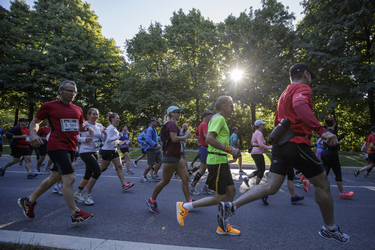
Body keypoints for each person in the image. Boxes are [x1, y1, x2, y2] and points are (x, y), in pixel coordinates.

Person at [216, 63, 349, 243]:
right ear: (305, 74)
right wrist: (321, 130)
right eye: (311, 76)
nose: (311, 80)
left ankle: (231, 206)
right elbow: (301, 107)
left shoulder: (285, 92)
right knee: (323, 183)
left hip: (280, 144)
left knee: (271, 186)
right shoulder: (303, 88)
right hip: (296, 143)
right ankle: (330, 228)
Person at [17, 80, 94, 224]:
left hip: (71, 147)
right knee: (69, 178)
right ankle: (75, 213)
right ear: (60, 91)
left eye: (74, 91)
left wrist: (86, 128)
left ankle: (29, 201)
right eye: (69, 90)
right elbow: (35, 122)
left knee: (53, 178)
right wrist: (33, 134)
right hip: (57, 145)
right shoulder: (49, 106)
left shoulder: (77, 109)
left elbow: (80, 125)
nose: (72, 94)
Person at [176, 96, 241, 236]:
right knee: (218, 197)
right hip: (217, 161)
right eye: (231, 106)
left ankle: (223, 225)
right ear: (224, 106)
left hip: (221, 160)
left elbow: (215, 139)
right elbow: (209, 139)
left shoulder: (217, 119)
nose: (233, 109)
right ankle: (185, 206)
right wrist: (230, 149)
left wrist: (230, 149)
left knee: (231, 192)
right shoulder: (219, 119)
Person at [146, 106, 192, 213]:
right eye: (177, 113)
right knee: (165, 181)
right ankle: (151, 200)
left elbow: (175, 139)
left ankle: (189, 202)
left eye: (179, 113)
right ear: (171, 113)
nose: (179, 115)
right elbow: (174, 138)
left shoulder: (173, 124)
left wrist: (184, 140)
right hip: (170, 156)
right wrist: (186, 137)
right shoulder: (171, 124)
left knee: (185, 178)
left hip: (177, 156)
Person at [74, 108, 107, 205]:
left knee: (88, 174)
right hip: (85, 152)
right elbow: (75, 137)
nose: (95, 116)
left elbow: (102, 139)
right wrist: (85, 139)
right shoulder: (84, 125)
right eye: (93, 114)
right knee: (97, 172)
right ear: (88, 115)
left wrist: (105, 134)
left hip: (94, 151)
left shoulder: (100, 125)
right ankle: (87, 194)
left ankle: (77, 193)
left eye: (97, 114)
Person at [100, 113, 134, 191]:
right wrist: (119, 136)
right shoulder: (110, 128)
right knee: (102, 168)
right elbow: (108, 140)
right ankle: (90, 178)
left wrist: (121, 142)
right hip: (107, 150)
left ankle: (124, 184)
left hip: (114, 150)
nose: (118, 119)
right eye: (117, 118)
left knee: (119, 166)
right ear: (112, 119)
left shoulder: (114, 128)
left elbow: (114, 140)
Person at [321, 117, 354, 199]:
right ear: (334, 123)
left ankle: (310, 183)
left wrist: (338, 140)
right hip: (331, 154)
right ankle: (342, 193)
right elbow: (332, 143)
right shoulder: (332, 132)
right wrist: (340, 138)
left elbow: (325, 142)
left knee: (324, 173)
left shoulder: (325, 132)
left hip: (324, 153)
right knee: (338, 173)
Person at [243, 120, 273, 204]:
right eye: (262, 124)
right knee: (262, 170)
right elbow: (261, 145)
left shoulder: (255, 132)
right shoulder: (259, 133)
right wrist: (271, 146)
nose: (263, 126)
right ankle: (256, 188)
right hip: (258, 153)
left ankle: (247, 178)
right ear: (259, 125)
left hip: (254, 152)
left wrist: (262, 142)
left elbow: (252, 142)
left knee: (260, 169)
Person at [189, 110, 214, 195]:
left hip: (204, 148)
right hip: (204, 149)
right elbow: (206, 135)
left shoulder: (201, 124)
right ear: (206, 116)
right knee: (202, 169)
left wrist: (200, 141)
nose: (212, 118)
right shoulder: (205, 124)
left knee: (210, 169)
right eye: (211, 116)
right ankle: (192, 187)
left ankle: (206, 186)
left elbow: (195, 134)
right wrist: (215, 139)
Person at [140, 117, 163, 183]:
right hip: (151, 149)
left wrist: (158, 142)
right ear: (152, 122)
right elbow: (148, 139)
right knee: (151, 164)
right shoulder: (150, 129)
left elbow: (155, 138)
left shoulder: (154, 130)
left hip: (156, 148)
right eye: (156, 122)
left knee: (160, 161)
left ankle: (154, 174)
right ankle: (143, 176)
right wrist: (155, 144)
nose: (157, 123)